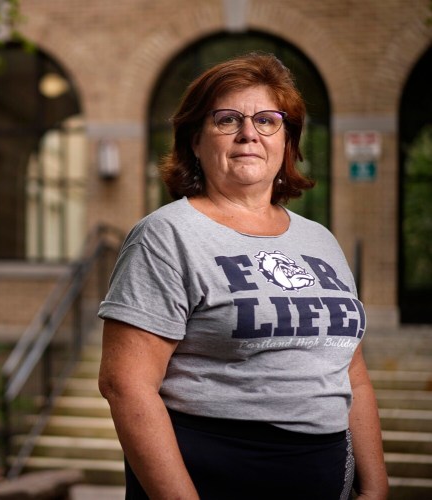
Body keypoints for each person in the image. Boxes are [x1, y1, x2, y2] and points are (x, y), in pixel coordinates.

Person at [97, 52, 388, 500]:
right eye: (227, 120)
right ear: (195, 140)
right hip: (211, 472)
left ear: (287, 141)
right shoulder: (167, 235)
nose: (249, 133)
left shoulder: (320, 241)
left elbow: (351, 370)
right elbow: (126, 385)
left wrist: (375, 484)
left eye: (268, 121)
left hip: (325, 472)